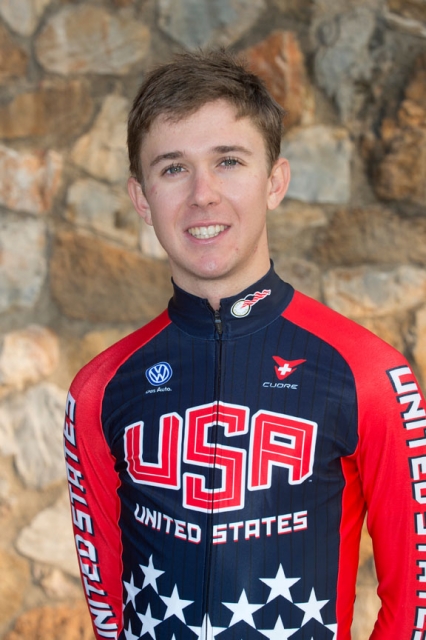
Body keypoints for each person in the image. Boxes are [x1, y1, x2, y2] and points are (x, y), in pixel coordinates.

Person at [64, 49, 426, 640]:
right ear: (141, 199)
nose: (202, 194)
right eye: (173, 168)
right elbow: (108, 608)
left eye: (228, 161)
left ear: (275, 182)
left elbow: (416, 600)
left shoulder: (369, 375)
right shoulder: (99, 390)